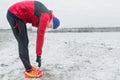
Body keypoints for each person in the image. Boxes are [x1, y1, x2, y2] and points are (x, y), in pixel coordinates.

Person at [6, 0, 60, 78]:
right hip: (14, 14)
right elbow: (40, 36)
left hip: (18, 16)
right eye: (51, 26)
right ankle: (28, 70)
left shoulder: (47, 14)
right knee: (23, 42)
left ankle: (29, 67)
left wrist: (38, 54)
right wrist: (39, 55)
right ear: (52, 20)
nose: (48, 27)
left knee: (25, 41)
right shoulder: (45, 17)